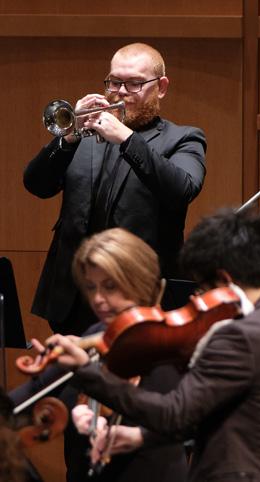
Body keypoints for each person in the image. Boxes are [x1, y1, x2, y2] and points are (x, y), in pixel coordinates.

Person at [43, 208, 260, 482]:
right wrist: (141, 436)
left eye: (202, 289)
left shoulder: (241, 336)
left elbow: (174, 414)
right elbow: (219, 412)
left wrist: (87, 371)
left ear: (225, 280)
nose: (199, 301)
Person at [24, 42, 207, 335]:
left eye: (134, 84)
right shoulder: (83, 135)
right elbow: (37, 185)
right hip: (73, 296)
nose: (121, 92)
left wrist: (126, 138)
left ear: (161, 87)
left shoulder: (183, 139)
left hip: (141, 297)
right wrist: (70, 136)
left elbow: (182, 189)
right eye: (114, 82)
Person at [9, 228, 188, 482]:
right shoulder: (96, 335)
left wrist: (87, 371)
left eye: (110, 286)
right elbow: (30, 395)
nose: (98, 299)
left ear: (140, 282)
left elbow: (166, 421)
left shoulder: (164, 346)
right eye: (91, 287)